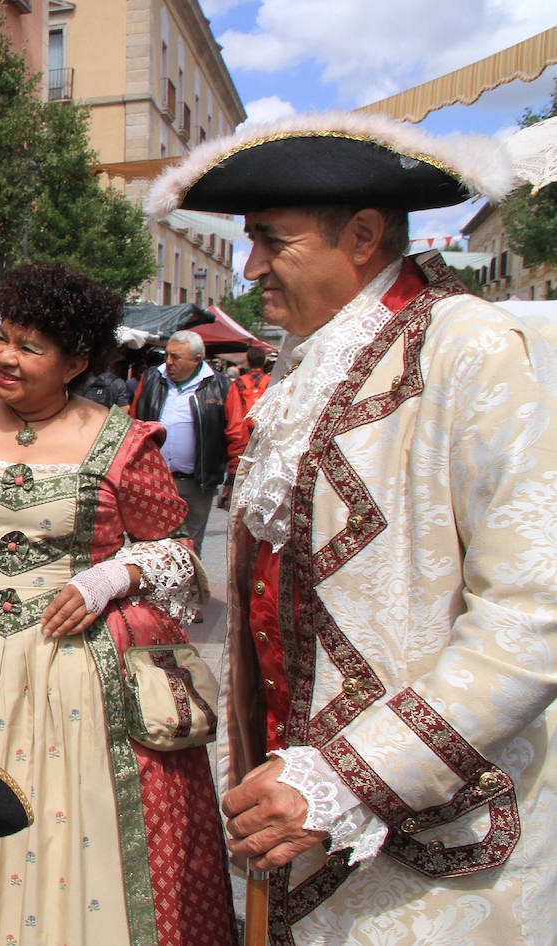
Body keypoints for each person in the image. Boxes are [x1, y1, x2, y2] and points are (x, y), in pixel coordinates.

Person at [146, 111, 555, 944]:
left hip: (428, 831)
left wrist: (351, 775)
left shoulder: (467, 348)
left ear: (363, 235)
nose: (250, 266)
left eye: (271, 241)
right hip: (297, 819)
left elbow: (532, 616)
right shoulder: (312, 355)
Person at [0, 263, 236, 946]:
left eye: (29, 346)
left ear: (75, 362)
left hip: (71, 673)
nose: (5, 357)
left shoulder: (124, 442)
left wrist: (108, 579)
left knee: (65, 826)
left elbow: (177, 555)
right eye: (3, 338)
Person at [130, 330, 231, 556]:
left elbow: (235, 434)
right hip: (155, 481)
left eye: (175, 357)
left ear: (197, 360)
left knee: (190, 547)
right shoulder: (151, 379)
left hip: (197, 484)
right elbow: (134, 426)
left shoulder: (220, 386)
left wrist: (232, 478)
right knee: (152, 545)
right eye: (167, 355)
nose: (168, 362)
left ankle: (191, 591)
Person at [218, 345, 272, 509]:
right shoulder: (271, 383)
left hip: (244, 437)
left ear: (247, 361)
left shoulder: (240, 383)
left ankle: (233, 498)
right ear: (264, 362)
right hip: (265, 437)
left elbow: (233, 415)